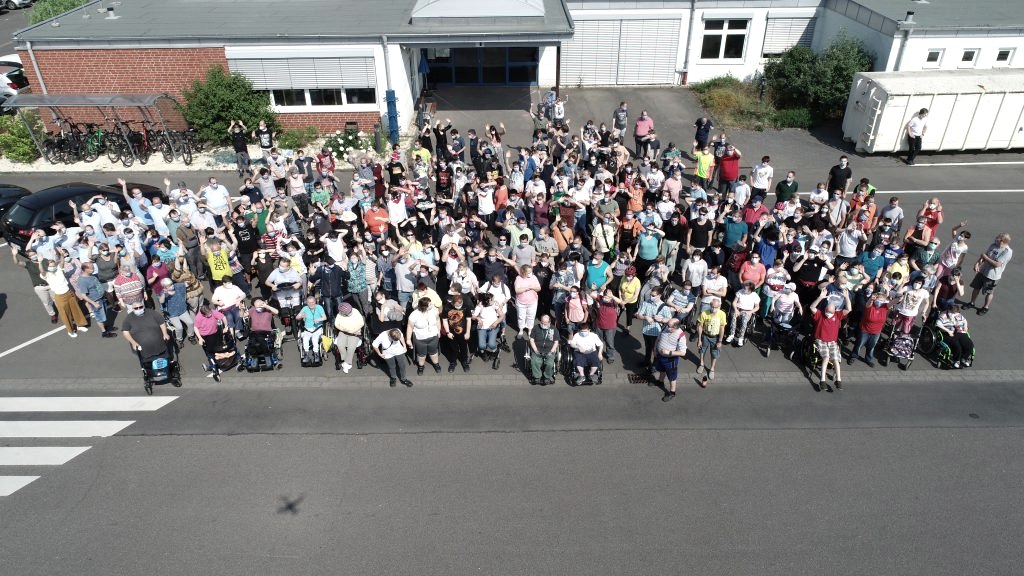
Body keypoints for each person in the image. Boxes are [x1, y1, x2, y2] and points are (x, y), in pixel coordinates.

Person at [810, 287, 852, 392]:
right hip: (821, 340)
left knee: (836, 360)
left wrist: (847, 297)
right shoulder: (820, 315)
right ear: (825, 310)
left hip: (832, 342)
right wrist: (820, 297)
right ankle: (822, 380)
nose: (828, 313)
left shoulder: (838, 315)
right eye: (827, 311)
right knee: (826, 357)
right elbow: (812, 307)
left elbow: (849, 309)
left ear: (835, 311)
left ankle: (838, 380)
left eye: (831, 312)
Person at [40, 253, 89, 338]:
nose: (52, 267)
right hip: (60, 296)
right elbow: (42, 271)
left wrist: (62, 255)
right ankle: (70, 331)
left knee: (76, 309)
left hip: (69, 292)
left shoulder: (59, 269)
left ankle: (80, 325)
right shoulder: (46, 275)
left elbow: (62, 263)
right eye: (50, 266)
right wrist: (40, 262)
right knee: (65, 314)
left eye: (53, 265)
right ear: (47, 267)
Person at [967, 233, 1012, 315]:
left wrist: (985, 257)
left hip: (992, 276)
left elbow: (997, 264)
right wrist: (977, 263)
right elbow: (985, 255)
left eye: (998, 238)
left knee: (989, 292)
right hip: (983, 271)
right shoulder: (993, 245)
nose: (996, 239)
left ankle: (985, 307)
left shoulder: (1007, 251)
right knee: (976, 287)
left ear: (1002, 241)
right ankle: (971, 303)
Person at [849, 289, 888, 367]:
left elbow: (894, 302)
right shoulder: (870, 305)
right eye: (878, 299)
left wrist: (899, 297)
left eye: (882, 300)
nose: (880, 302)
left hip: (876, 332)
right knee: (859, 344)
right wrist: (871, 299)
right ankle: (853, 356)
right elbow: (868, 304)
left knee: (871, 346)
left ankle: (868, 359)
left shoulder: (885, 307)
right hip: (865, 330)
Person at [695, 296, 727, 383]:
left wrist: (720, 341)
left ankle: (712, 369)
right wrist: (699, 340)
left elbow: (722, 328)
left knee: (714, 353)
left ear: (719, 306)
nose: (714, 309)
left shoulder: (722, 314)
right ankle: (701, 364)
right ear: (710, 305)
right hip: (705, 335)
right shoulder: (704, 313)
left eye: (716, 307)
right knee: (702, 350)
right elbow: (700, 326)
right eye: (712, 307)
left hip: (715, 337)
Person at [407, 297, 442, 374]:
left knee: (434, 352)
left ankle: (436, 364)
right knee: (421, 354)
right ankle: (421, 366)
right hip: (420, 339)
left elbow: (438, 320)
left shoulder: (434, 311)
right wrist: (408, 339)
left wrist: (439, 331)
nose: (432, 305)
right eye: (430, 304)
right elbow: (410, 327)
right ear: (424, 306)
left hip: (433, 337)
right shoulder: (414, 315)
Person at [656, 318, 688, 402]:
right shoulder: (665, 327)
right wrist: (655, 349)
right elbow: (658, 339)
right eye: (667, 324)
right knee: (662, 369)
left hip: (670, 360)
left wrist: (669, 352)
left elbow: (683, 352)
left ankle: (672, 392)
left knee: (672, 376)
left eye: (669, 326)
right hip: (660, 356)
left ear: (676, 327)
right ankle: (660, 382)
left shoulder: (681, 336)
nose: (667, 327)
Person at [332, 302, 365, 374]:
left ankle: (347, 363)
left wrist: (353, 331)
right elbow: (336, 324)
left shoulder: (355, 311)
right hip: (343, 332)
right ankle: (345, 360)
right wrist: (344, 329)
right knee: (340, 344)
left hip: (354, 333)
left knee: (351, 347)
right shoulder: (340, 314)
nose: (350, 313)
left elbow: (361, 323)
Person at [724, 282, 759, 347]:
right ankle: (731, 334)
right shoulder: (740, 292)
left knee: (744, 321)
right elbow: (734, 302)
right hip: (738, 309)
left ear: (750, 290)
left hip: (747, 311)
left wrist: (751, 311)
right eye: (744, 288)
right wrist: (736, 310)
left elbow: (757, 307)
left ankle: (741, 337)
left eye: (746, 288)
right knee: (733, 316)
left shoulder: (755, 296)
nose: (744, 289)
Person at [294, 295, 327, 363]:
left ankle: (316, 355)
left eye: (312, 302)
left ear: (315, 302)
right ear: (307, 303)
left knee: (314, 339)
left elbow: (325, 318)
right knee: (305, 339)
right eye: (309, 302)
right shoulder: (305, 308)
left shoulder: (319, 307)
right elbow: (297, 317)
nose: (311, 304)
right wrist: (300, 316)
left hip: (317, 328)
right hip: (307, 329)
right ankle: (306, 355)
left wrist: (318, 319)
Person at [528, 314, 559, 386]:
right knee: (535, 362)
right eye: (542, 322)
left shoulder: (554, 329)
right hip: (537, 349)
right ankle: (537, 376)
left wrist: (551, 351)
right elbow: (531, 340)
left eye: (545, 323)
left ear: (549, 322)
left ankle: (547, 377)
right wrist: (535, 350)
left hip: (549, 350)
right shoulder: (536, 328)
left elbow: (556, 342)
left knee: (549, 363)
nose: (543, 325)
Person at [513, 264, 541, 338]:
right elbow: (517, 290)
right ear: (523, 272)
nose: (530, 274)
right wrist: (526, 288)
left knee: (531, 316)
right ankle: (521, 330)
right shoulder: (518, 278)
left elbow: (539, 288)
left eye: (531, 272)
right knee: (521, 317)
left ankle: (530, 330)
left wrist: (533, 287)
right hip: (521, 302)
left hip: (533, 301)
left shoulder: (534, 277)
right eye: (528, 272)